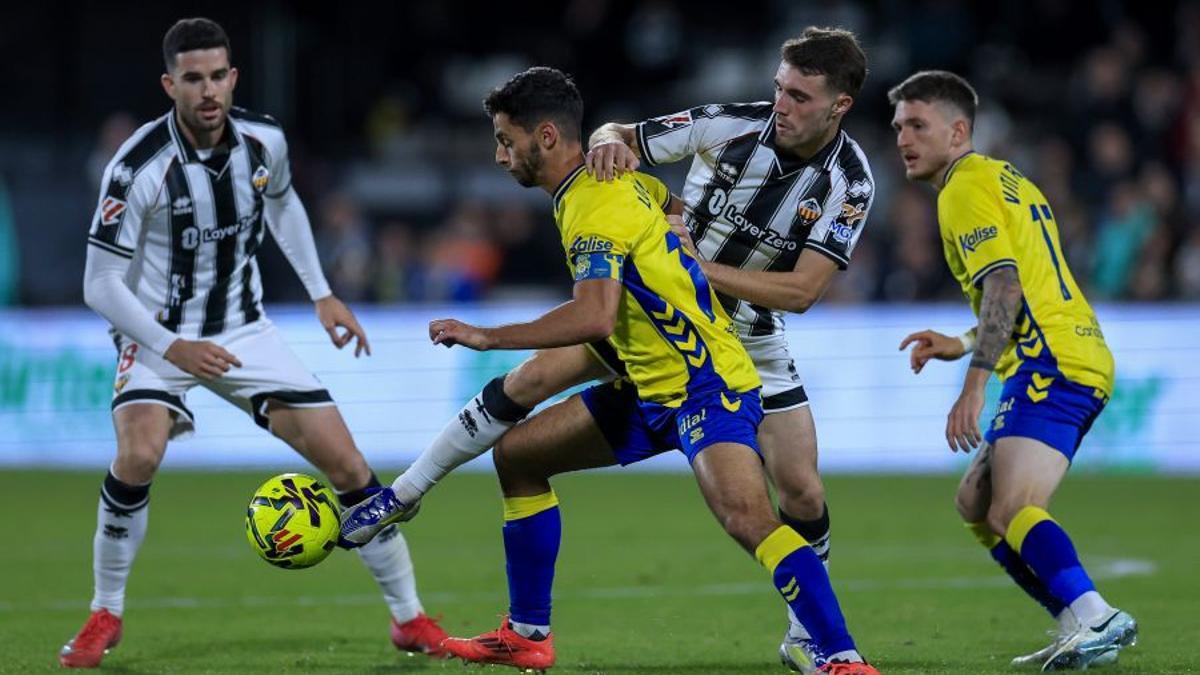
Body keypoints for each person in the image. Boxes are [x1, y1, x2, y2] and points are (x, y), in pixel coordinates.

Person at [343, 29, 875, 672]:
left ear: (838, 105)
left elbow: (800, 290)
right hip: (653, 342)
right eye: (777, 88)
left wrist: (491, 333)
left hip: (723, 354)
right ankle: (519, 624)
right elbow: (618, 139)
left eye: (797, 95)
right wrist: (606, 146)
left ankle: (831, 650)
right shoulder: (708, 137)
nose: (780, 104)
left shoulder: (847, 180)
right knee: (520, 444)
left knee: (783, 502)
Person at [61, 17, 447, 668]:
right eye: (192, 79)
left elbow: (285, 204)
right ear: (169, 85)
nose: (207, 90)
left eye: (217, 76)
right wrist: (170, 345)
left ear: (232, 77)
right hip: (158, 333)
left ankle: (410, 619)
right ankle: (106, 611)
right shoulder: (137, 168)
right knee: (140, 451)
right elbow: (98, 284)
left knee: (350, 467)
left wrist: (322, 292)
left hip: (245, 329)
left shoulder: (264, 140)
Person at [890, 70, 1137, 671]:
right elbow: (1023, 288)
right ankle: (1076, 622)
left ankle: (1096, 614)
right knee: (976, 505)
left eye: (917, 125)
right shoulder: (1005, 177)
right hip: (1064, 351)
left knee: (1011, 506)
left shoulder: (961, 190)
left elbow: (1003, 283)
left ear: (958, 131)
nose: (903, 138)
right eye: (898, 127)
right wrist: (963, 341)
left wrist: (973, 384)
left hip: (1052, 363)